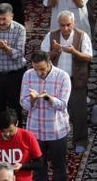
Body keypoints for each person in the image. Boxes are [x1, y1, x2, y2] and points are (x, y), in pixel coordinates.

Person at [41, 10, 93, 153]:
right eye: (62, 25)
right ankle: (55, 141)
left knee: (79, 113)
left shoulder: (82, 36)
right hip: (56, 82)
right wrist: (55, 52)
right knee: (53, 113)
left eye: (68, 25)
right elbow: (41, 58)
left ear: (73, 23)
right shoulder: (51, 36)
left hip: (76, 81)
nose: (65, 28)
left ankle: (80, 141)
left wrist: (74, 52)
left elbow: (88, 57)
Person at [19, 50, 72, 181]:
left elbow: (63, 105)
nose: (38, 73)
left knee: (59, 168)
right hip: (36, 132)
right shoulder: (28, 75)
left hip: (56, 131)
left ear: (49, 63)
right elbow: (23, 104)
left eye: (42, 69)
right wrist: (32, 100)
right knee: (38, 169)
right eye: (35, 69)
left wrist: (48, 98)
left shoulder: (63, 76)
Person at [0, 3, 28, 125]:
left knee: (16, 106)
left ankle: (18, 134)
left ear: (12, 16)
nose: (1, 22)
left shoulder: (20, 29)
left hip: (14, 74)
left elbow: (18, 54)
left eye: (4, 19)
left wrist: (5, 47)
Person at [0, 110, 44, 181]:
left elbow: (40, 163)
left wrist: (22, 166)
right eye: (3, 131)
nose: (7, 134)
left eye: (10, 131)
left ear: (17, 123)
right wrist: (2, 169)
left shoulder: (28, 137)